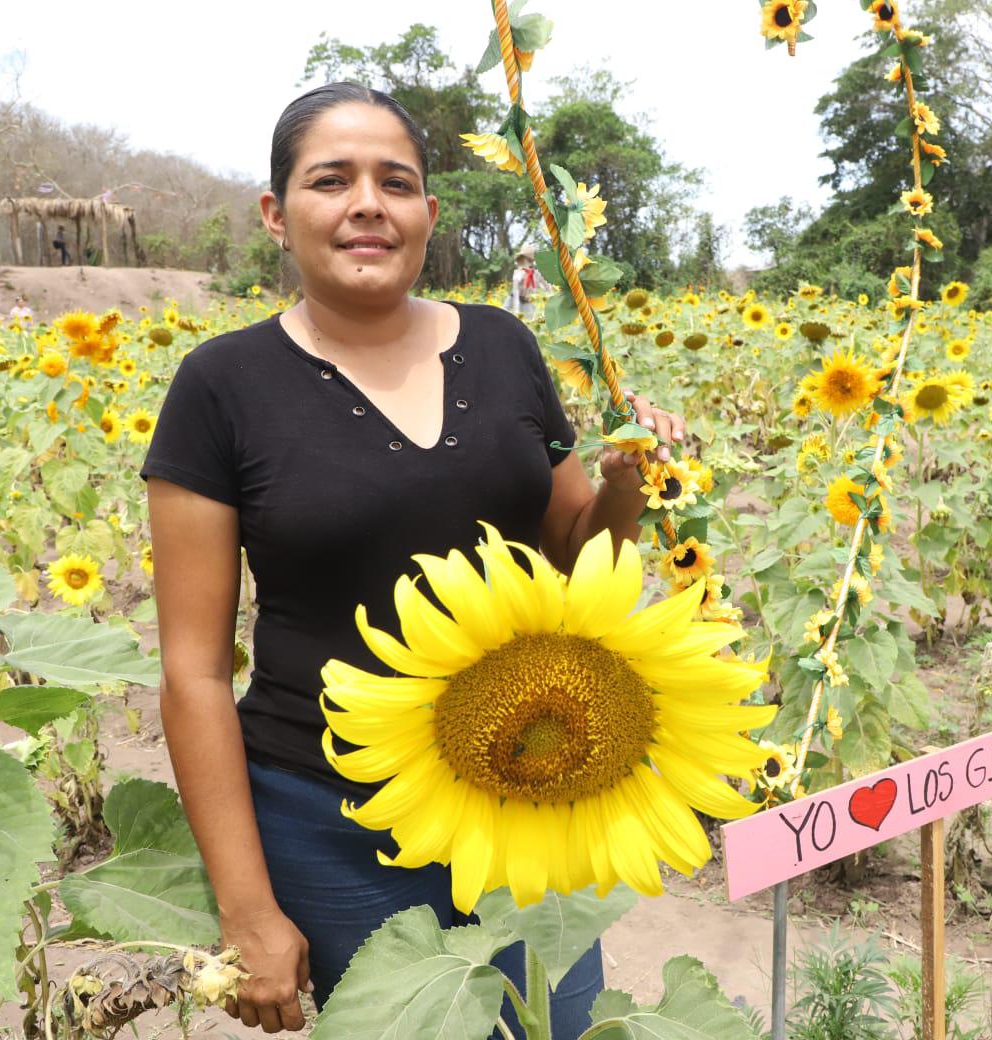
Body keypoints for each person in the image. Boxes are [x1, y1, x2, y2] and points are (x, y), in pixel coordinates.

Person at [137, 81, 685, 1037]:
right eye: (330, 181)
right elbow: (193, 672)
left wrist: (631, 484)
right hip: (330, 813)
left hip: (535, 788)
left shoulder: (505, 347)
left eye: (395, 183)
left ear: (428, 212)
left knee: (557, 1022)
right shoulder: (222, 386)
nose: (367, 205)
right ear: (276, 213)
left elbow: (574, 555)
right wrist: (248, 908)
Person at [504, 242, 550, 317]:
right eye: (521, 260)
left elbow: (547, 288)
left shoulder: (537, 274)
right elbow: (515, 291)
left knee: (528, 322)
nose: (523, 262)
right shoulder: (518, 272)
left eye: (526, 260)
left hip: (527, 304)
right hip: (513, 301)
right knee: (503, 317)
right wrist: (516, 310)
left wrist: (548, 293)